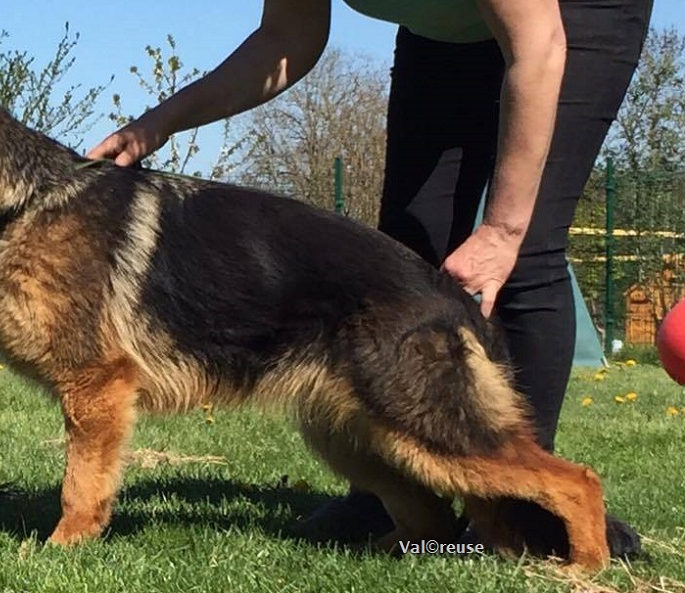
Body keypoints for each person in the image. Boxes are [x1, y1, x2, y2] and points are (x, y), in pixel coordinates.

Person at [87, 0, 653, 556]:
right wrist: (158, 124)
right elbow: (284, 41)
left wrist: (503, 230)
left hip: (565, 23)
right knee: (404, 269)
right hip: (443, 35)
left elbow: (538, 49)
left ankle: (527, 513)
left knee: (522, 254)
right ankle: (400, 506)